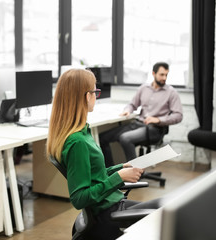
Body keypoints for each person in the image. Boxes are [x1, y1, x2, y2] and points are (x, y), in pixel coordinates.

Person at [46, 69, 161, 240]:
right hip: (107, 214)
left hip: (112, 203)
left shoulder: (82, 132)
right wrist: (119, 177)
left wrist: (121, 168)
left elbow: (95, 176)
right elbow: (79, 198)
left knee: (168, 206)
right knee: (170, 214)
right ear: (86, 96)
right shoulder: (77, 142)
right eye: (95, 92)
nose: (96, 97)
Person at [99, 62, 183, 167]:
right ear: (153, 73)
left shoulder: (171, 92)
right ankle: (110, 172)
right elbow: (132, 104)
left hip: (155, 129)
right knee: (102, 138)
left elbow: (178, 115)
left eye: (166, 75)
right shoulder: (144, 88)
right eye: (162, 74)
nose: (164, 78)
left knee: (125, 138)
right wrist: (128, 110)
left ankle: (135, 173)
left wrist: (159, 120)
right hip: (138, 124)